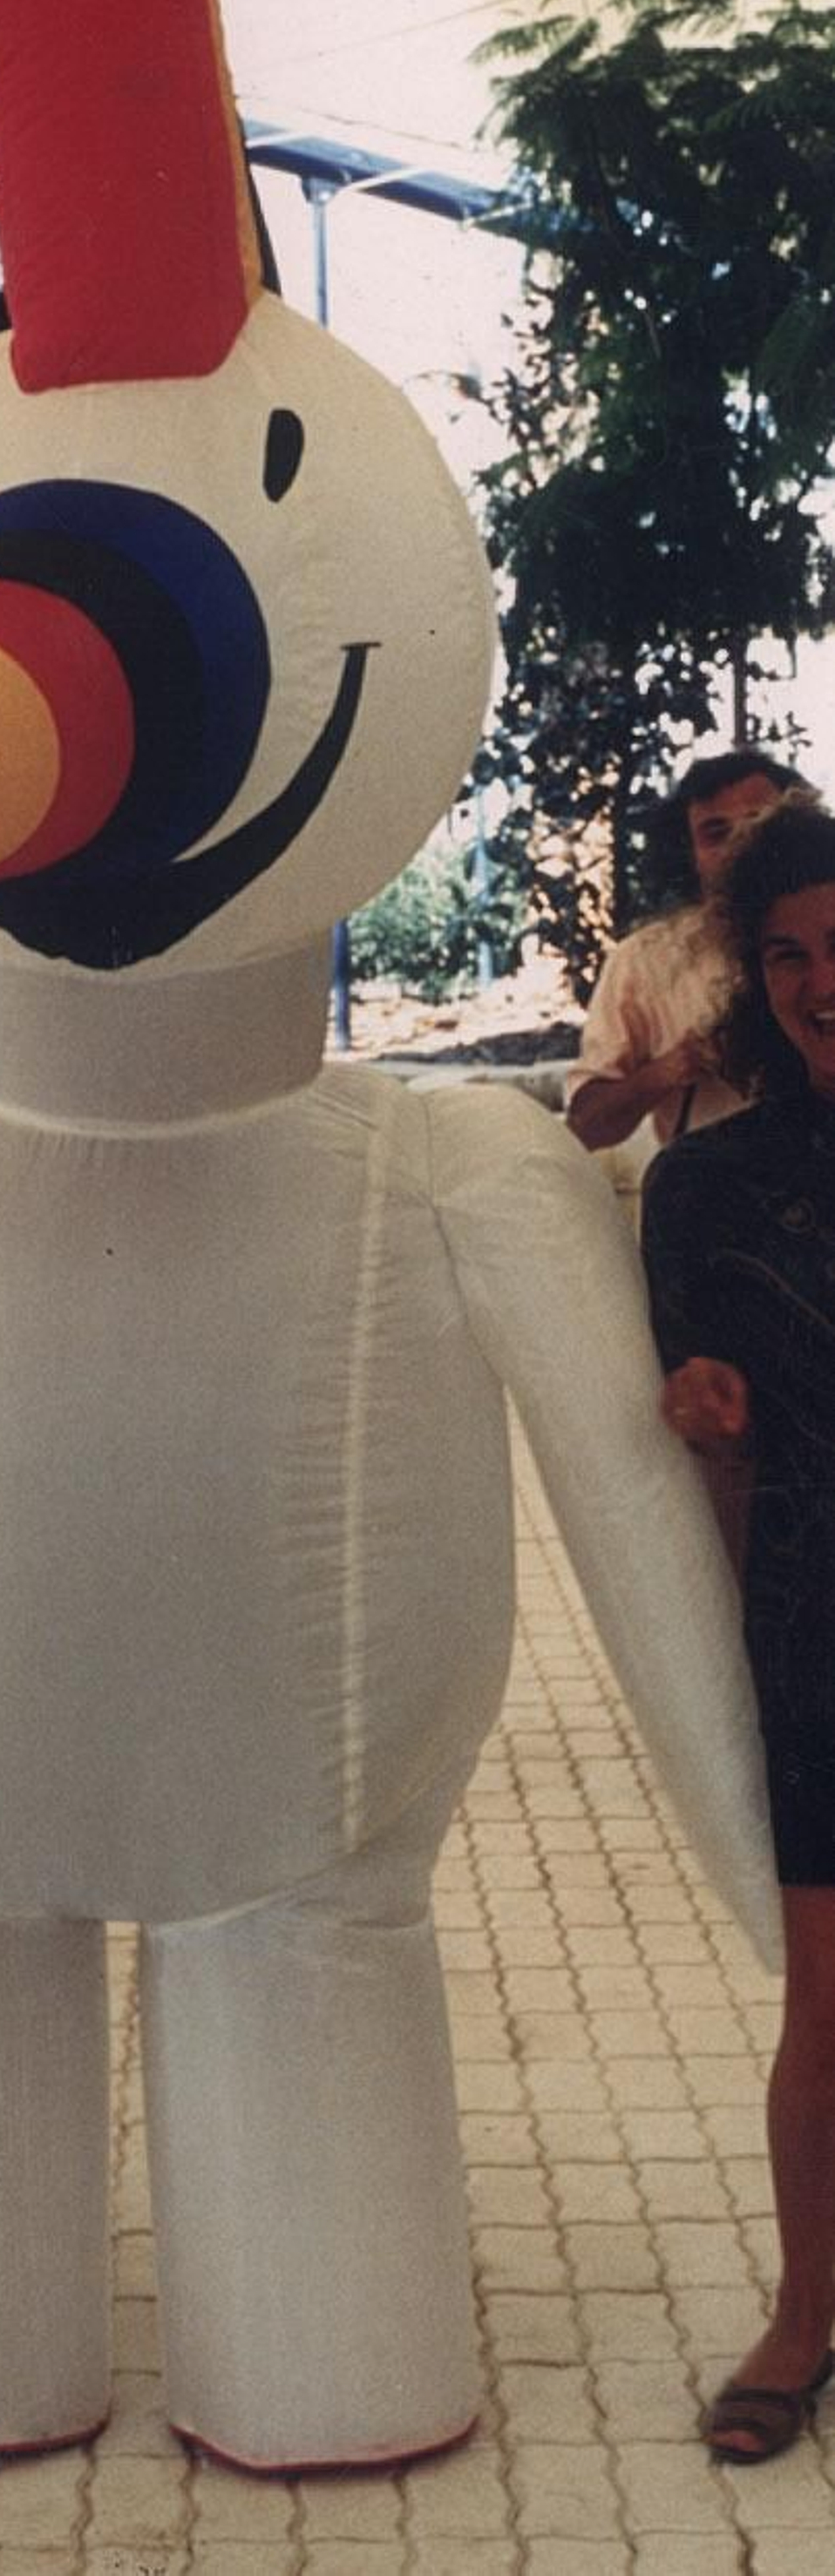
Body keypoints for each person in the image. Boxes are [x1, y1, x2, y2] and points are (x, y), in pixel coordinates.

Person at [642, 795, 835, 2463]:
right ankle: (801, 2315)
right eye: (785, 953)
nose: (818, 980)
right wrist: (699, 1403)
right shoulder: (707, 1182)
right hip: (819, 1613)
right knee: (827, 2010)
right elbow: (688, 1380)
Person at [567, 749, 798, 1156]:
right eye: (716, 832)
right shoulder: (645, 960)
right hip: (712, 1201)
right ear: (688, 853)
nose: (742, 844)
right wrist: (674, 1067)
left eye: (761, 824)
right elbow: (586, 1127)